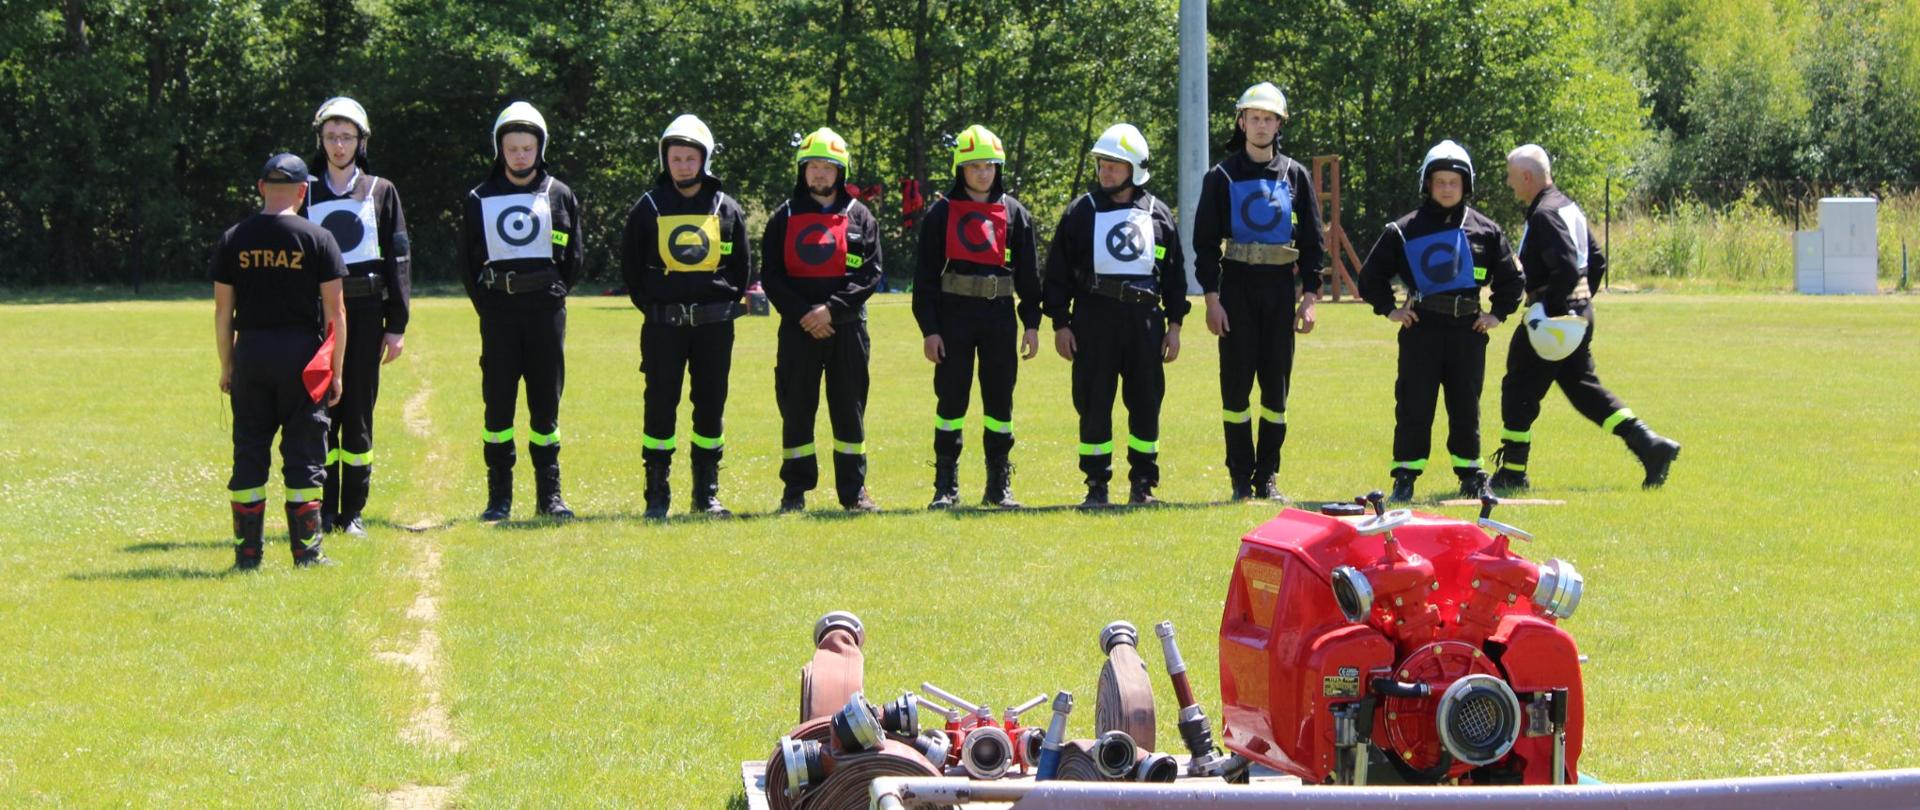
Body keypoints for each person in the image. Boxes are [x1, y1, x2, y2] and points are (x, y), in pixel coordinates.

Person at [1492, 144, 1680, 491]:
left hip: (1554, 320)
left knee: (1518, 386)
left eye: (1511, 177)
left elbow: (1564, 265)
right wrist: (1580, 303)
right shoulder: (1567, 207)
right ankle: (1649, 445)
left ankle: (1513, 472)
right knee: (1583, 390)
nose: (1509, 183)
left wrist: (1547, 309)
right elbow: (1597, 260)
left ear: (1528, 177)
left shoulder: (1544, 214)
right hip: (1577, 316)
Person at [1358, 140, 1524, 503]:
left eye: (1454, 182)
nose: (1447, 189)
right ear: (1427, 185)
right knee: (1414, 403)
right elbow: (1370, 277)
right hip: (1422, 330)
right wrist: (1391, 310)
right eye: (1440, 182)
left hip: (1468, 331)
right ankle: (1405, 474)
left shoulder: (1486, 230)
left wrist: (1496, 314)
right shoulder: (1403, 230)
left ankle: (1470, 474)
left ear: (1466, 185)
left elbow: (1513, 278)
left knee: (1466, 404)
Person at [1191, 82, 1326, 501]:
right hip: (1236, 288)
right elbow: (1205, 243)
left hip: (1280, 291)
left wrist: (1310, 298)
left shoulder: (1295, 175)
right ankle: (1239, 477)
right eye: (1255, 118)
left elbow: (1313, 245)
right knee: (1235, 388)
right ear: (1242, 122)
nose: (1262, 126)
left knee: (1275, 388)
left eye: (1269, 119)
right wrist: (1211, 299)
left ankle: (1267, 476)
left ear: (1279, 124)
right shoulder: (1221, 176)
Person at [1043, 123, 1189, 507]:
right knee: (1093, 403)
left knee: (1145, 403)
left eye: (1114, 165)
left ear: (1135, 169)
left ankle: (1143, 485)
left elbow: (1174, 276)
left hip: (1144, 322)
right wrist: (1060, 323)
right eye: (1102, 164)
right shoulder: (1081, 212)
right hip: (1094, 319)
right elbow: (1056, 274)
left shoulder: (1159, 214)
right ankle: (1096, 486)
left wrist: (1174, 327)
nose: (1105, 172)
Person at [213, 153, 347, 569]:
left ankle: (247, 555)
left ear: (261, 188)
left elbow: (223, 312)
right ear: (304, 191)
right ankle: (307, 553)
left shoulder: (234, 238)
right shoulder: (318, 237)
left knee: (249, 451)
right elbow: (336, 312)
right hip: (302, 360)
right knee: (305, 453)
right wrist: (336, 371)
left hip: (251, 353)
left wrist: (227, 365)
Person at [620, 114, 752, 518]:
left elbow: (742, 269)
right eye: (675, 158)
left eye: (690, 158)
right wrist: (661, 308)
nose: (682, 165)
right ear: (666, 160)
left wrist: (716, 305)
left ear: (704, 159)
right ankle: (656, 496)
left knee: (710, 405)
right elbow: (632, 269)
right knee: (660, 405)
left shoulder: (725, 208)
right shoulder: (648, 207)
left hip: (714, 327)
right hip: (664, 326)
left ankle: (706, 494)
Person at [459, 101, 583, 521]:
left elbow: (574, 257)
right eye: (511, 148)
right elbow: (466, 262)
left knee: (546, 403)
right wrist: (489, 305)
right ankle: (499, 499)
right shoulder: (479, 197)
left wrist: (553, 293)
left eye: (527, 147)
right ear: (500, 150)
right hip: (498, 313)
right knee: (497, 406)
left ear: (539, 148)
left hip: (545, 313)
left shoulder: (559, 193)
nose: (519, 156)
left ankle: (550, 497)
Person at [911, 124, 1042, 509]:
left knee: (1000, 402)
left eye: (988, 166)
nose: (982, 173)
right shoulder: (941, 214)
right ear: (961, 169)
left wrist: (1032, 323)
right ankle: (945, 485)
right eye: (974, 166)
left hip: (999, 317)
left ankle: (998, 484)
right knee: (951, 401)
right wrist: (930, 330)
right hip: (953, 318)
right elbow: (924, 279)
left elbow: (1030, 277)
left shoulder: (1015, 214)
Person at [760, 127, 884, 512]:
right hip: (798, 331)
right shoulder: (784, 216)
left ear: (840, 171)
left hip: (847, 329)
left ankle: (854, 491)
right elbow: (772, 275)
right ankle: (794, 491)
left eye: (828, 167)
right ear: (802, 170)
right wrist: (804, 314)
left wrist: (830, 309)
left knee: (849, 409)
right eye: (812, 166)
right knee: (796, 408)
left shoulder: (860, 216)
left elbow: (870, 273)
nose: (819, 175)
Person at [305, 96, 411, 537]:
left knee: (359, 412)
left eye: (346, 137)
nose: (338, 145)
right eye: (331, 137)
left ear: (361, 141)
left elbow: (399, 261)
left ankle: (354, 513)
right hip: (316, 316)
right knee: (321, 411)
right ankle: (324, 510)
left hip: (367, 312)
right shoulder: (304, 191)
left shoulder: (381, 191)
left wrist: (397, 325)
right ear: (321, 140)